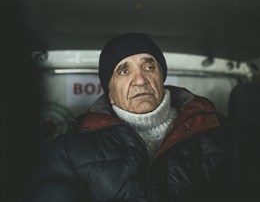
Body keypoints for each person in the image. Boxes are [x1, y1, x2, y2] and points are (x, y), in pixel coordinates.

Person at [27, 33, 240, 201]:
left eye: (149, 67)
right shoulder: (69, 151)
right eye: (123, 71)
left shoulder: (217, 131)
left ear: (161, 77)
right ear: (109, 91)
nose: (140, 80)